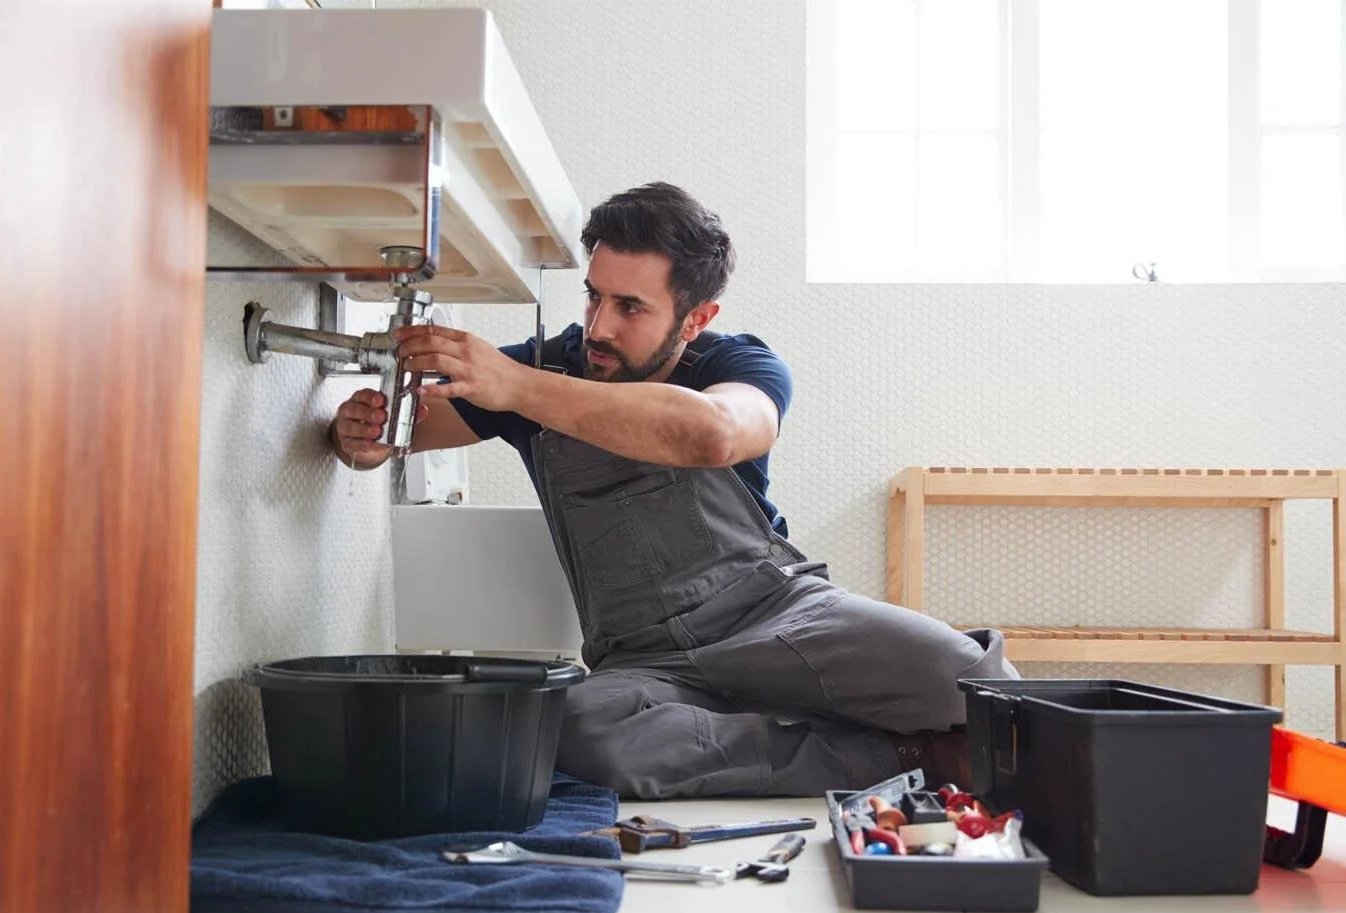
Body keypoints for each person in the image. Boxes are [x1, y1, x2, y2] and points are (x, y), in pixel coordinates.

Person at [329, 182, 1019, 799]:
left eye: (630, 307)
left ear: (696, 318)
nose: (598, 327)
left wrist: (521, 388)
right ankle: (899, 752)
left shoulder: (738, 363)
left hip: (776, 615)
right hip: (642, 658)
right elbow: (404, 433)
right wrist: (358, 436)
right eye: (594, 296)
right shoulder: (549, 367)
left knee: (978, 685)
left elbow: (718, 433)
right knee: (573, 728)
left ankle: (786, 725)